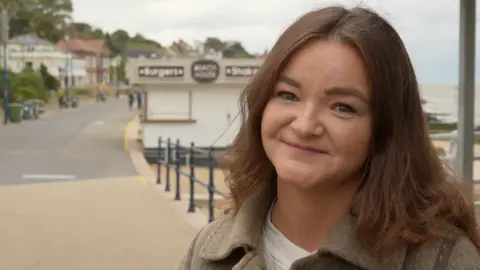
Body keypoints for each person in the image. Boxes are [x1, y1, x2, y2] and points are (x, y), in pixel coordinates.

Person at [178, 5, 480, 270]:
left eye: (343, 107)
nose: (305, 125)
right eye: (288, 95)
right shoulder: (209, 252)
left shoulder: (443, 260)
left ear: (385, 130)